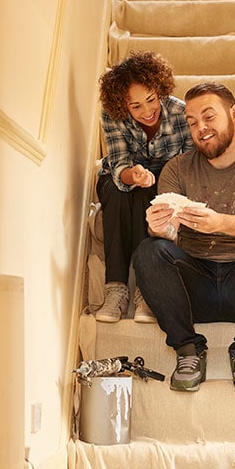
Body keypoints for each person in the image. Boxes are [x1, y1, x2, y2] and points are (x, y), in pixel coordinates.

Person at [133, 82, 235, 394]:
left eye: (209, 117)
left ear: (234, 114)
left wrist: (219, 223)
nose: (200, 129)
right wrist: (159, 227)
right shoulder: (177, 168)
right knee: (149, 250)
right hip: (195, 287)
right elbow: (170, 234)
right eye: (192, 122)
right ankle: (188, 349)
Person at [95, 51, 193, 324]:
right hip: (123, 177)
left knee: (149, 198)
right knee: (116, 192)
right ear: (122, 105)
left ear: (160, 89)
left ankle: (145, 290)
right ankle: (115, 289)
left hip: (164, 180)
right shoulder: (111, 115)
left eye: (151, 100)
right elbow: (118, 164)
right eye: (136, 106)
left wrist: (158, 184)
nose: (147, 111)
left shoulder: (181, 113)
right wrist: (133, 175)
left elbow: (187, 166)